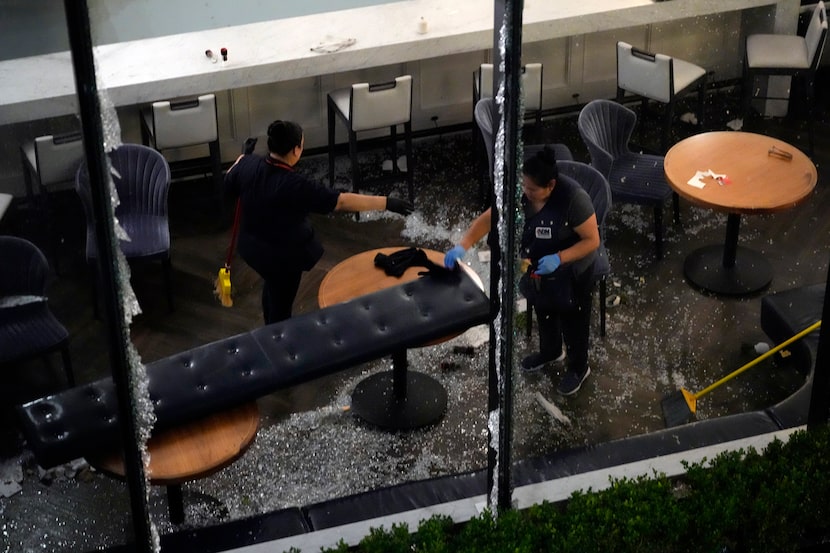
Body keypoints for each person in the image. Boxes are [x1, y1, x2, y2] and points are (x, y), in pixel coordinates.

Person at [225, 120, 414, 325]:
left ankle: (270, 322)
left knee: (272, 287)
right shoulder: (295, 185)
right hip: (281, 259)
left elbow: (231, 179)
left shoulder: (249, 164)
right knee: (281, 303)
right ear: (296, 150)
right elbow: (341, 201)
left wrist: (244, 157)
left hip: (252, 248)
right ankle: (277, 338)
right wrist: (386, 202)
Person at [444, 146, 599, 396]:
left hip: (573, 270)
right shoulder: (522, 192)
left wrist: (560, 258)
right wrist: (463, 245)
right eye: (523, 187)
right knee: (544, 309)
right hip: (539, 266)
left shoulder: (573, 198)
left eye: (532, 189)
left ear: (550, 185)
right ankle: (551, 352)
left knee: (573, 321)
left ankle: (579, 368)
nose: (525, 193)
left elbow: (592, 240)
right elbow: (489, 218)